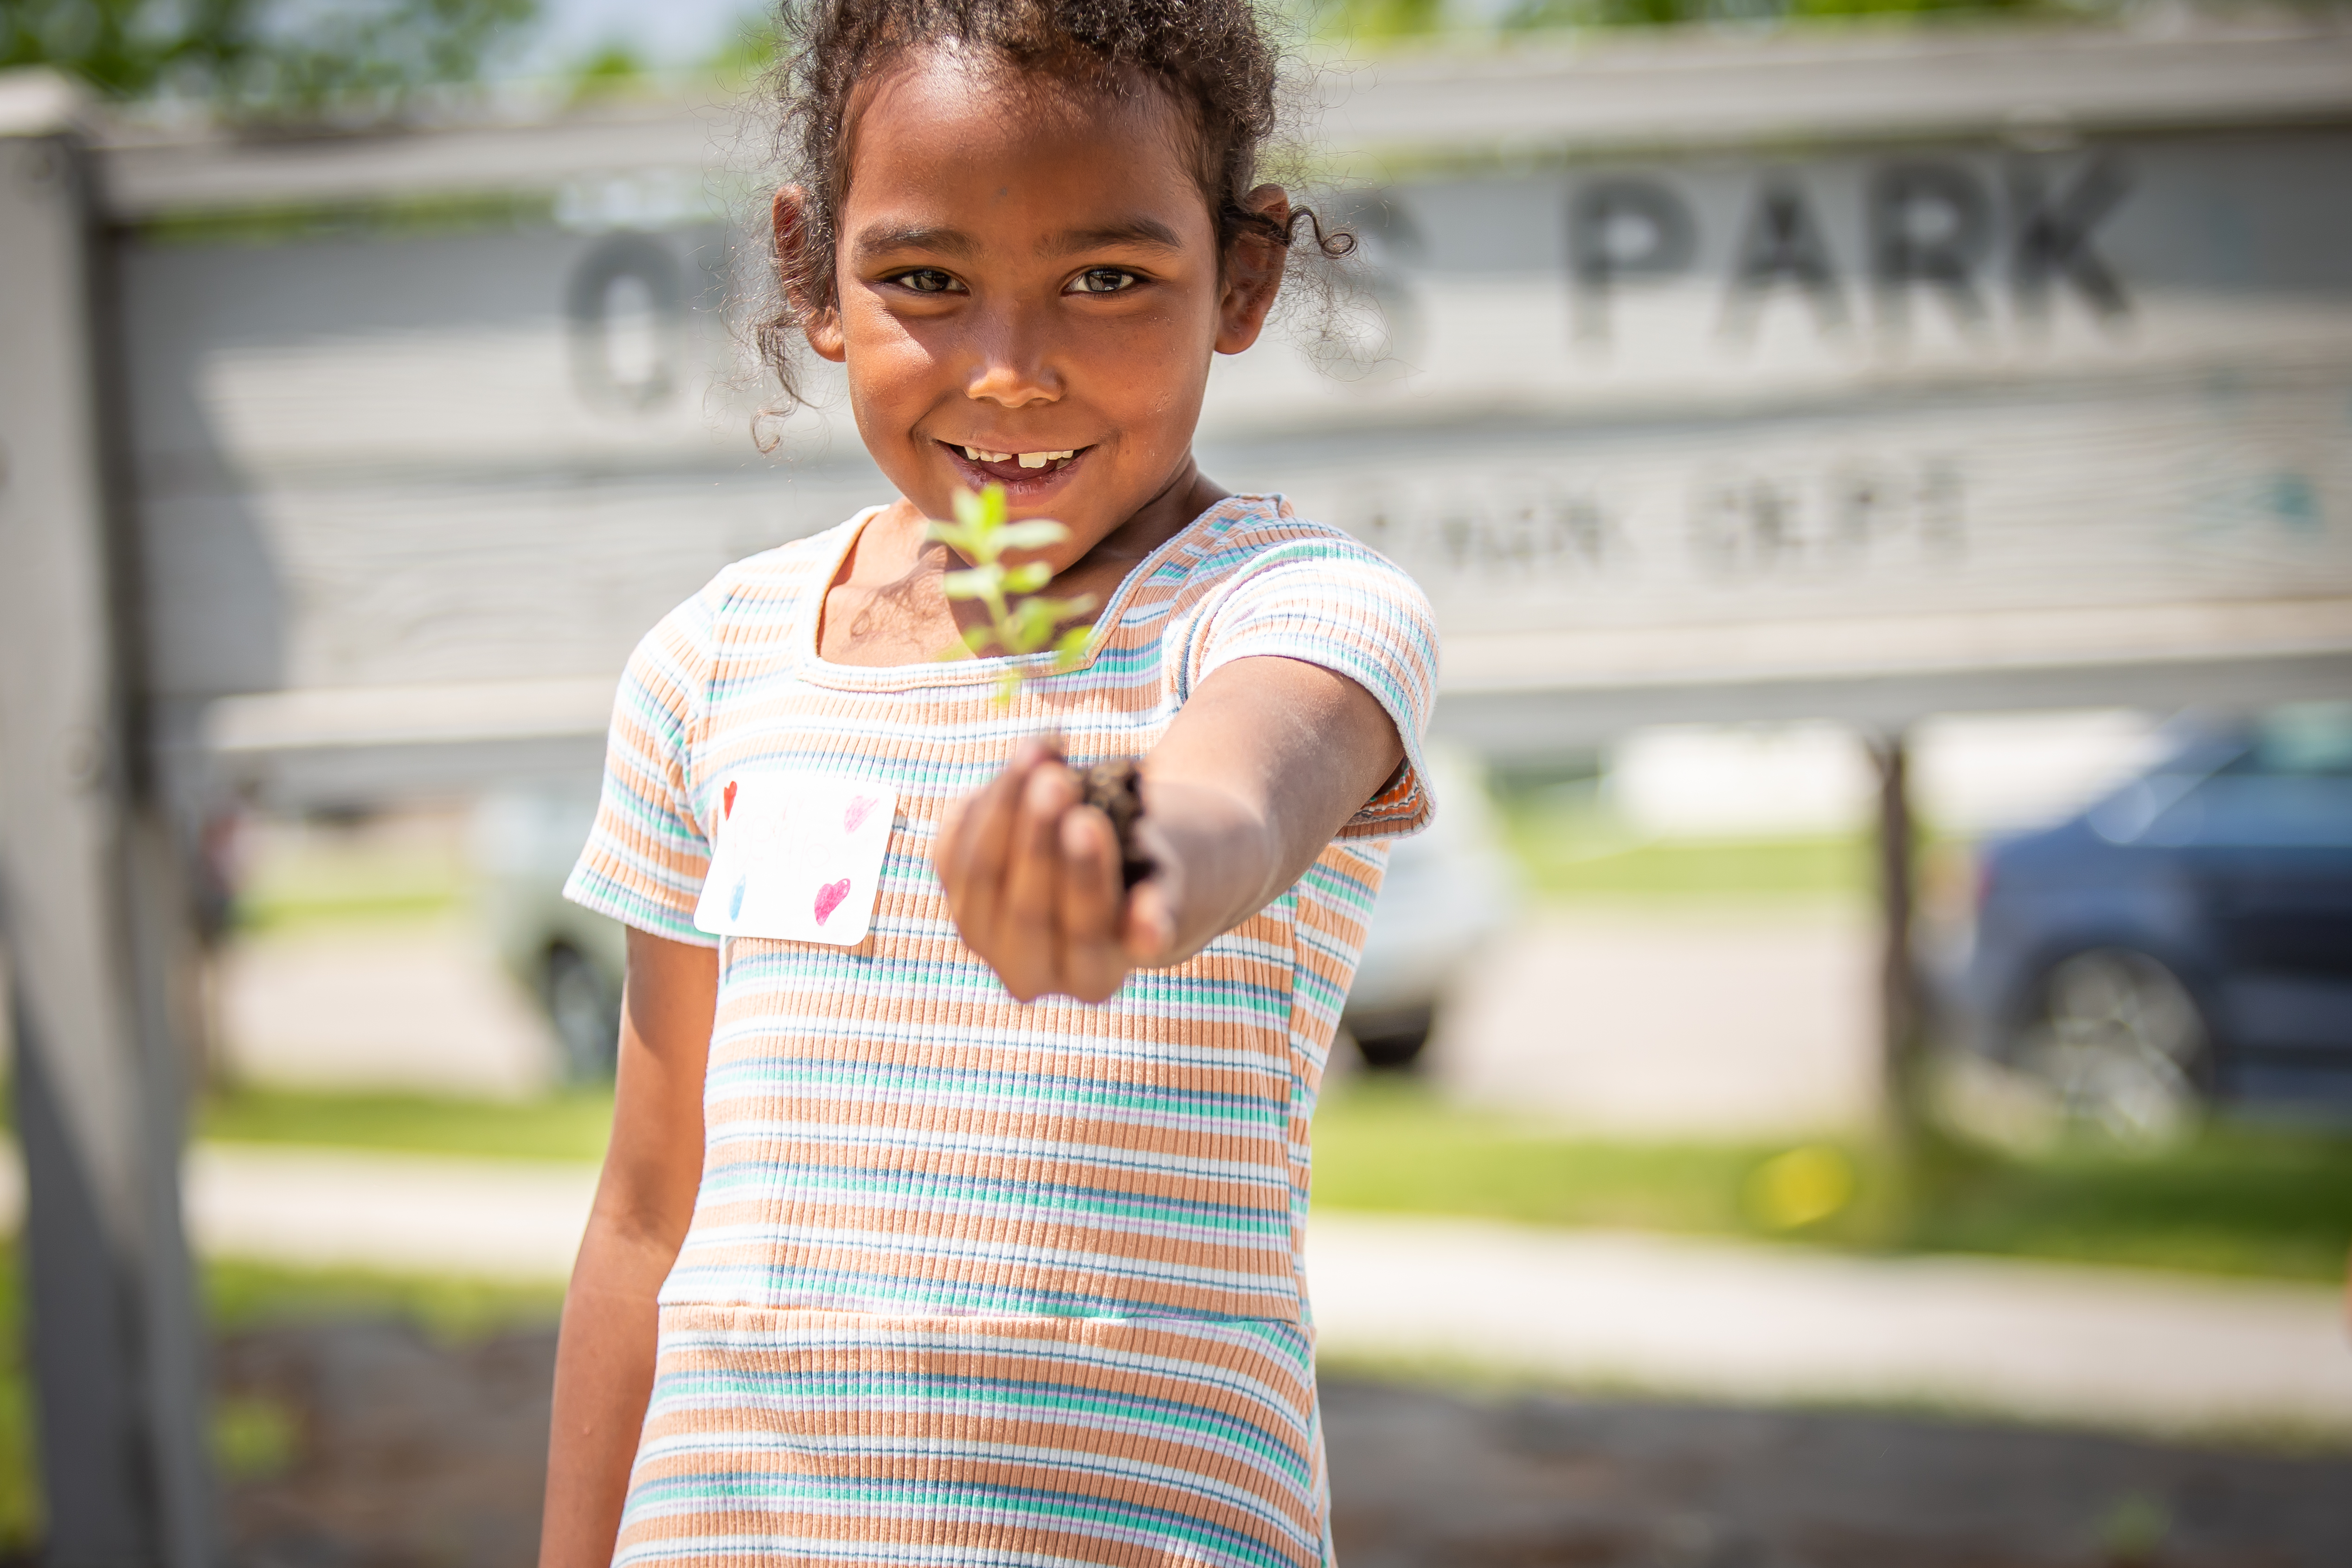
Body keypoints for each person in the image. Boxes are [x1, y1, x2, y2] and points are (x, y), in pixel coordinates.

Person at [539, 0, 1439, 1562]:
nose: (1012, 372)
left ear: (1245, 275)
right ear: (815, 273)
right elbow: (643, 1211)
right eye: (928, 281)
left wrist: (1128, 865)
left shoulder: (1292, 606)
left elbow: (1243, 791)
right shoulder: (713, 667)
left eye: (1106, 278)